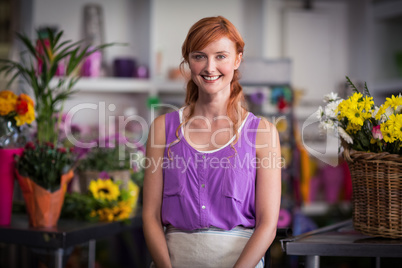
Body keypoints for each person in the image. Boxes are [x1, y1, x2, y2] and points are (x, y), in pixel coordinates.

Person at [142, 16, 281, 268]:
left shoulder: (262, 132)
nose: (209, 67)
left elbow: (268, 224)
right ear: (188, 61)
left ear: (237, 58)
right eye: (199, 56)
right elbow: (150, 216)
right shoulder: (162, 129)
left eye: (221, 56)